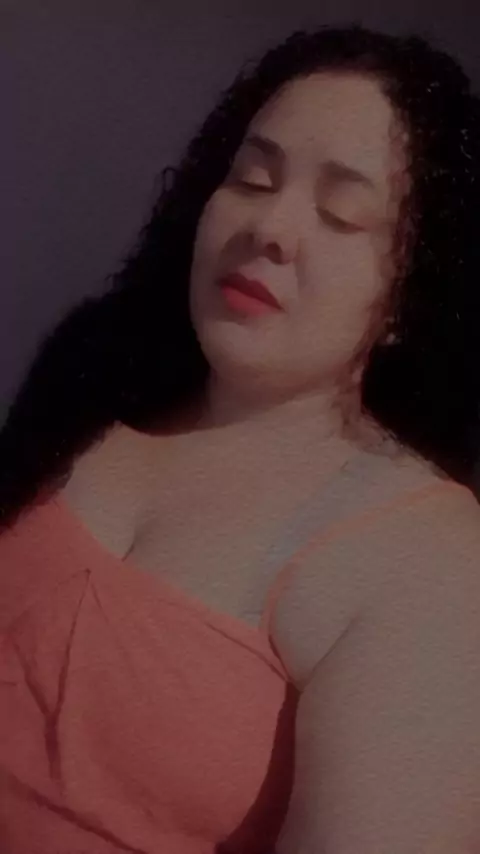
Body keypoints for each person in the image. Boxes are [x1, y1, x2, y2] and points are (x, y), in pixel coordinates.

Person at [1, 22, 480, 854]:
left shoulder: (429, 556)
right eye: (252, 179)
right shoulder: (92, 382)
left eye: (341, 213)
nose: (271, 228)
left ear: (410, 291)